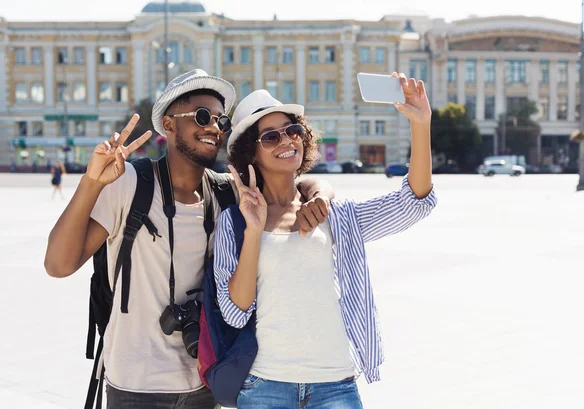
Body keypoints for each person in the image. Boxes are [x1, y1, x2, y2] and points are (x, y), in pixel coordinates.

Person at [43, 69, 332, 409]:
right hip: (135, 386)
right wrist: (92, 182)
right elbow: (58, 265)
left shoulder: (227, 192)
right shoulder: (131, 184)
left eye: (221, 122)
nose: (214, 128)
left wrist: (321, 191)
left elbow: (292, 189)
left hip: (204, 385)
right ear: (168, 124)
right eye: (202, 116)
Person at [213, 73, 438, 408]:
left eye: (293, 131)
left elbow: (412, 204)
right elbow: (235, 312)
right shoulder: (234, 223)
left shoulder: (336, 215)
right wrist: (255, 230)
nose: (287, 141)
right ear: (251, 155)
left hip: (335, 386)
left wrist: (420, 125)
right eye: (270, 137)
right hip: (265, 387)